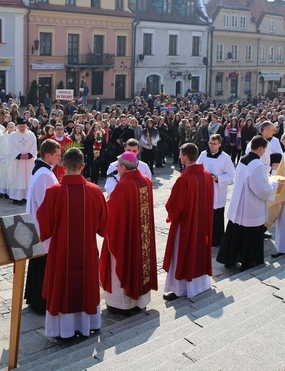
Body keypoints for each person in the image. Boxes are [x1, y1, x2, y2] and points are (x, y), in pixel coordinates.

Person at [37, 148, 107, 339]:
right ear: (83, 166)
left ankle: (63, 330)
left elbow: (44, 225)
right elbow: (103, 226)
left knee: (62, 286)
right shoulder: (94, 191)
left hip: (61, 253)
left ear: (63, 166)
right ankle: (87, 324)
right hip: (87, 251)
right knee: (86, 285)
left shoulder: (53, 192)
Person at [100, 151, 157, 314]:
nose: (117, 168)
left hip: (126, 235)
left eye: (118, 166)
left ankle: (121, 304)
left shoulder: (124, 185)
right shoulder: (146, 181)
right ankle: (141, 301)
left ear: (124, 167)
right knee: (140, 262)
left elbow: (111, 210)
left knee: (122, 261)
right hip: (142, 235)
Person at [217, 136, 280, 270]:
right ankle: (249, 261)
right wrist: (274, 184)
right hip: (251, 206)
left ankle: (230, 258)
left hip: (239, 203)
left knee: (236, 232)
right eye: (264, 150)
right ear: (260, 148)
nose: (264, 153)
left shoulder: (243, 159)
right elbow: (261, 189)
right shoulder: (256, 164)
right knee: (250, 234)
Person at [162, 142, 214, 301]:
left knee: (182, 253)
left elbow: (175, 205)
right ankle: (201, 284)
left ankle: (180, 289)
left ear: (185, 157)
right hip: (202, 222)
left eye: (180, 154)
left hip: (186, 225)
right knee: (198, 252)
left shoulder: (184, 178)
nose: (179, 157)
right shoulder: (205, 173)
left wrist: (171, 213)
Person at [24, 139, 61, 314]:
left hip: (37, 224)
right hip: (42, 227)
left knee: (38, 264)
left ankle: (34, 297)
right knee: (42, 264)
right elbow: (47, 205)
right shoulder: (45, 174)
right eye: (57, 155)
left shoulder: (40, 169)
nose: (59, 158)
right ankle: (40, 300)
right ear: (48, 155)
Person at [196, 134, 235, 247]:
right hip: (204, 189)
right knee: (204, 213)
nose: (212, 146)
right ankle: (204, 236)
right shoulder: (203, 155)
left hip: (218, 190)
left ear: (220, 144)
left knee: (216, 216)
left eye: (214, 144)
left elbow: (231, 174)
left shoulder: (225, 157)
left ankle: (217, 239)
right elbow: (197, 168)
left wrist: (218, 178)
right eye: (210, 143)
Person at [6, 118, 37, 204]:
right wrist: (19, 155)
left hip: (28, 161)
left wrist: (29, 154)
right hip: (17, 162)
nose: (22, 128)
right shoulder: (12, 136)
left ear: (26, 126)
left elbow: (34, 146)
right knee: (17, 178)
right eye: (20, 126)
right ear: (17, 126)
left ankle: (27, 197)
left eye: (23, 126)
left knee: (27, 178)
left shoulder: (31, 135)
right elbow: (10, 147)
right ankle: (16, 197)